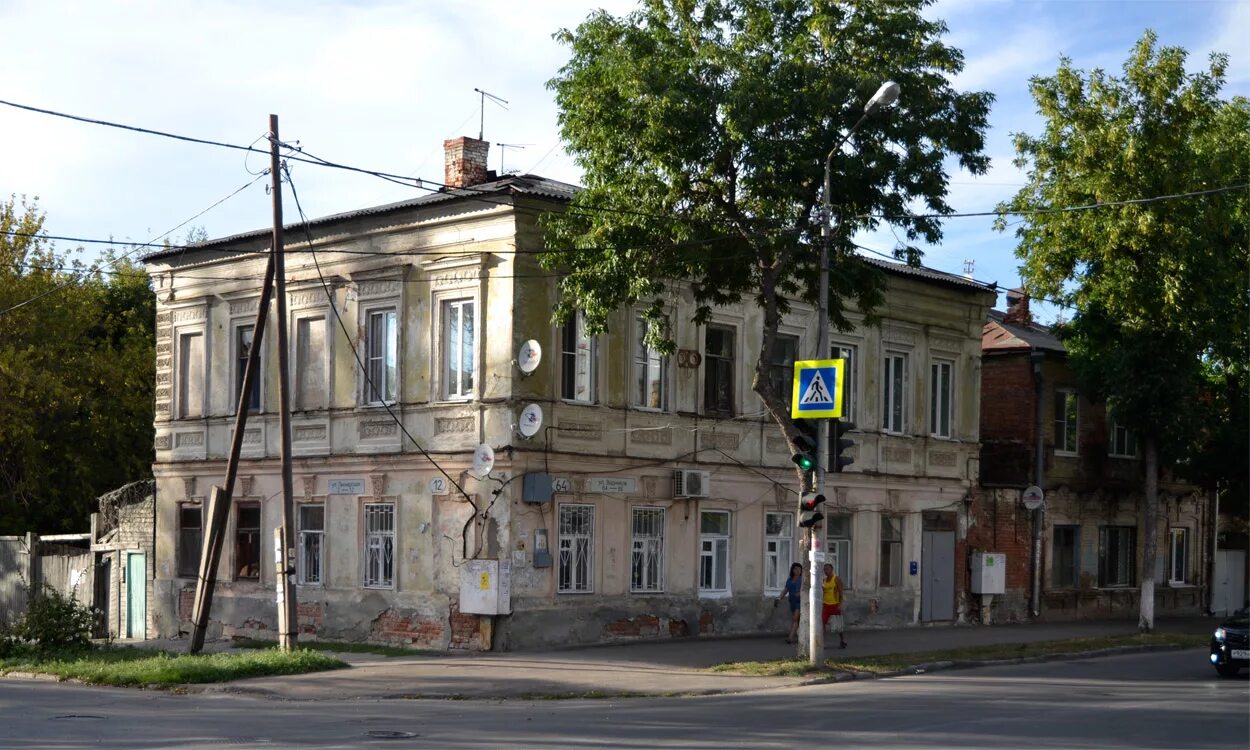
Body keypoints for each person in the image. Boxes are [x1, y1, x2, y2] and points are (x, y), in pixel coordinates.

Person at [775, 563, 803, 644]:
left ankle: (790, 638)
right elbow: (785, 590)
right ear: (792, 570)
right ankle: (801, 636)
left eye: (799, 569)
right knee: (797, 620)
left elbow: (806, 590)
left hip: (800, 602)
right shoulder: (790, 580)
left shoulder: (802, 579)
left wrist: (800, 593)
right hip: (792, 602)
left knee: (795, 619)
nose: (798, 570)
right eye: (796, 569)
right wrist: (779, 597)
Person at [821, 562, 847, 649]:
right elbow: (823, 591)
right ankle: (823, 642)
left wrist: (840, 603)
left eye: (827, 569)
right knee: (822, 623)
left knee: (838, 625)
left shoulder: (836, 579)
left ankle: (842, 640)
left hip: (835, 604)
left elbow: (841, 592)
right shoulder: (824, 580)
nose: (826, 571)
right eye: (824, 569)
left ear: (832, 569)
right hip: (826, 605)